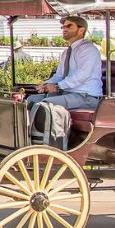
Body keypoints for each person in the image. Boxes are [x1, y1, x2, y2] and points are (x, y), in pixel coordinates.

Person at [23, 16, 103, 147]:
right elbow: (59, 75)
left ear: (81, 30)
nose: (64, 29)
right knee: (31, 99)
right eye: (63, 27)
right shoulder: (67, 52)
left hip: (86, 97)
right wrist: (46, 84)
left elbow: (82, 75)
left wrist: (58, 86)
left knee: (45, 104)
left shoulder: (89, 50)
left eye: (69, 26)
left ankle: (45, 144)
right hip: (69, 94)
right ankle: (26, 139)